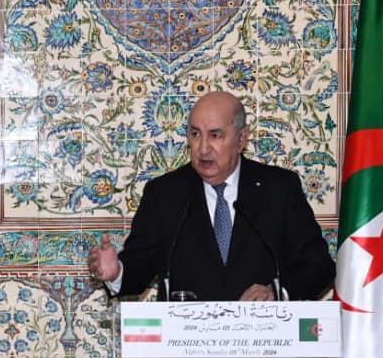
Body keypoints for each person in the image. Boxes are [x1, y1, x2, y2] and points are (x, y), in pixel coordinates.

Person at [87, 90, 334, 301]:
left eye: (215, 135)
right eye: (195, 134)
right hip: (186, 339)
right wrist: (117, 272)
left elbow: (319, 267)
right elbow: (140, 266)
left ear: (241, 139)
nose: (203, 148)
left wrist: (276, 292)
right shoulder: (164, 194)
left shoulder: (279, 189)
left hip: (265, 337)